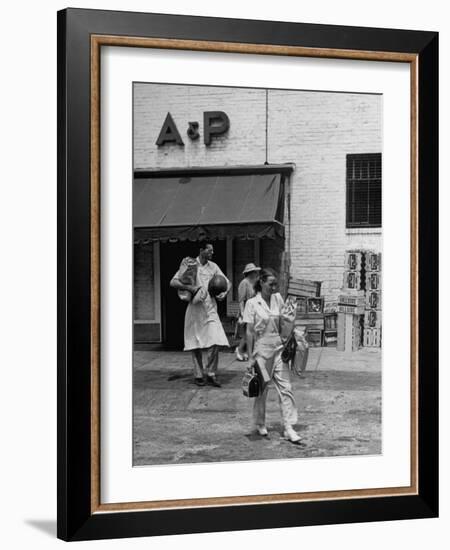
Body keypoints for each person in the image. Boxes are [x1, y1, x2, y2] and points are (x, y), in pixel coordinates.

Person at [243, 268, 303, 444]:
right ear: (261, 282)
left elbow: (284, 320)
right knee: (261, 389)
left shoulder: (277, 298)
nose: (275, 287)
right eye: (271, 284)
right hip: (261, 350)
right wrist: (250, 357)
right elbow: (249, 331)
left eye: (276, 284)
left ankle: (289, 427)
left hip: (279, 348)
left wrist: (292, 329)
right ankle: (260, 422)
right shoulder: (252, 303)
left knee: (286, 388)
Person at [170, 242, 231, 387]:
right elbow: (173, 282)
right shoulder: (190, 264)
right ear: (201, 250)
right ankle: (198, 374)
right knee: (195, 343)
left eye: (212, 250)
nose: (212, 253)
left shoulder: (213, 266)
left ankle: (211, 372)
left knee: (216, 340)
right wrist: (190, 287)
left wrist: (224, 293)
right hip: (195, 308)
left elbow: (227, 282)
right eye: (209, 250)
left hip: (210, 308)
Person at [235, 263, 261, 362]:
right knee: (247, 334)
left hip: (254, 309)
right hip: (246, 309)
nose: (256, 273)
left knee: (254, 332)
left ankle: (247, 351)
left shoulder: (255, 282)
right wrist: (242, 314)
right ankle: (240, 350)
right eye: (254, 271)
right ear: (249, 273)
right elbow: (241, 300)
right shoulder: (244, 283)